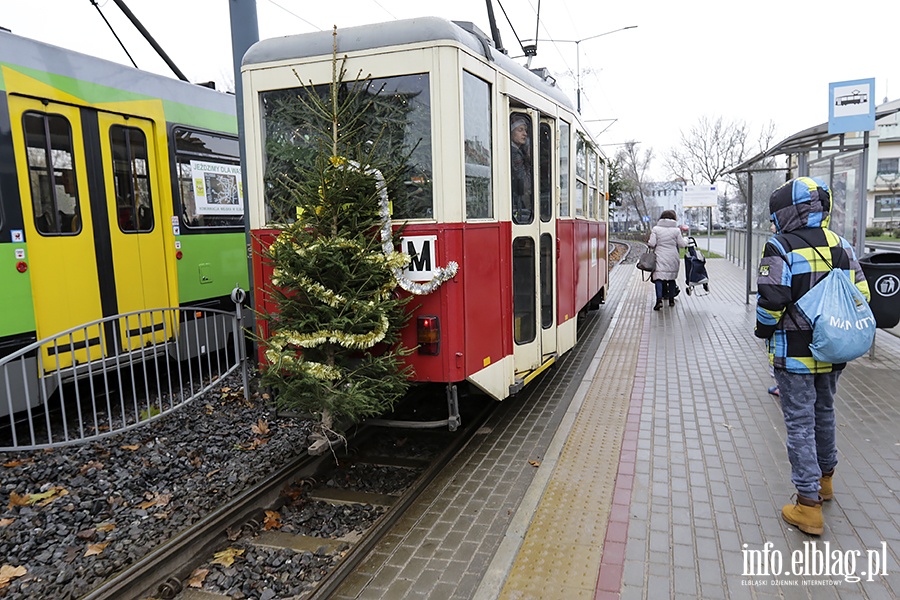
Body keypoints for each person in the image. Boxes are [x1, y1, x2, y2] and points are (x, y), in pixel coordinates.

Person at [754, 176, 870, 535]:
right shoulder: (841, 245)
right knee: (825, 412)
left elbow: (772, 299)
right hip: (833, 349)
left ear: (789, 212)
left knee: (799, 423)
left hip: (794, 355)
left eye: (776, 213)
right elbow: (861, 291)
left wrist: (762, 330)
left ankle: (807, 505)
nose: (773, 221)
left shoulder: (780, 246)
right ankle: (826, 481)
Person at [647, 210, 687, 310]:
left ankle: (659, 300)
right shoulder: (676, 230)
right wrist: (686, 241)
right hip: (673, 256)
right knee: (671, 278)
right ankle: (671, 300)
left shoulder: (656, 229)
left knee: (658, 279)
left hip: (660, 255)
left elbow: (651, 244)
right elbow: (682, 244)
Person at [510, 114, 533, 224]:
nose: (525, 134)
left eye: (525, 130)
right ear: (511, 132)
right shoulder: (515, 155)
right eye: (520, 130)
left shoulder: (519, 152)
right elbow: (524, 184)